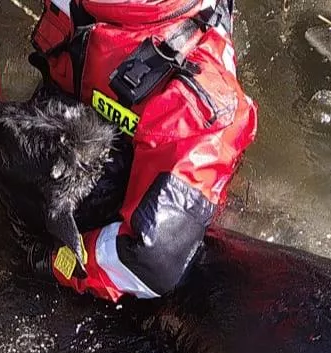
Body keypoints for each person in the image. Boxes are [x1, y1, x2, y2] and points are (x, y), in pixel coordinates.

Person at [25, 0, 257, 302]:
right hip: (81, 130)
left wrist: (54, 263)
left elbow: (149, 261)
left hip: (130, 257)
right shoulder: (87, 8)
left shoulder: (196, 105)